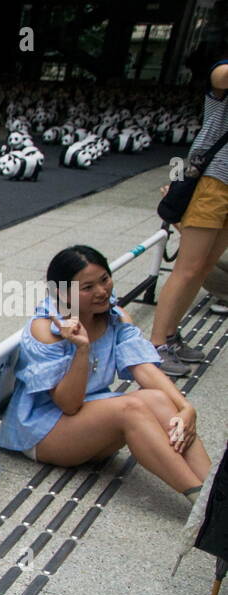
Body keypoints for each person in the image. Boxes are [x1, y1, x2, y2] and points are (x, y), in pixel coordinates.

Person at [0, 246, 211, 506]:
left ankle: (214, 493)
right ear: (61, 292)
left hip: (92, 422)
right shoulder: (46, 329)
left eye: (105, 279)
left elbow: (143, 368)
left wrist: (186, 408)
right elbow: (69, 405)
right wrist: (81, 348)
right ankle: (201, 503)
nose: (101, 291)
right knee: (130, 407)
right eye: (87, 287)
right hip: (43, 431)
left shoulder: (115, 316)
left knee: (158, 399)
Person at [150, 56, 228, 377]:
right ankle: (155, 346)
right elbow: (219, 75)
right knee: (188, 266)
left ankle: (171, 335)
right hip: (213, 181)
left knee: (204, 265)